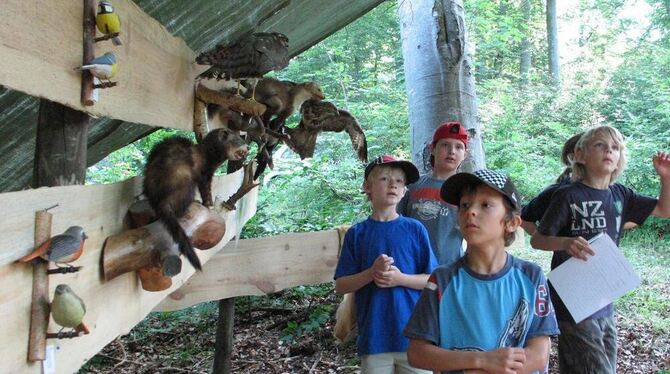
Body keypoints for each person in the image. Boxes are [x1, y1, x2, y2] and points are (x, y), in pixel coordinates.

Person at [530, 125, 670, 373]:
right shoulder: (567, 195)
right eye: (600, 145)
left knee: (589, 365)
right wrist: (565, 243)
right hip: (570, 296)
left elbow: (664, 210)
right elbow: (538, 240)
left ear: (619, 160)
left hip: (603, 295)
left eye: (615, 148)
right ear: (581, 156)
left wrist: (666, 178)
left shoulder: (621, 195)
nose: (609, 151)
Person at [404, 169, 560, 374]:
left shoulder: (531, 277)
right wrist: (481, 360)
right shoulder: (442, 280)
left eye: (485, 205)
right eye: (464, 205)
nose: (471, 212)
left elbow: (539, 353)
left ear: (512, 223)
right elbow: (417, 353)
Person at [334, 154, 438, 373]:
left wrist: (400, 278)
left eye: (399, 181)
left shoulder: (415, 229)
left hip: (415, 339)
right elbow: (341, 286)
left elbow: (432, 280)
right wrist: (371, 273)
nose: (393, 184)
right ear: (367, 187)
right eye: (384, 179)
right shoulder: (357, 234)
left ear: (404, 191)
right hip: (374, 340)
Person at [398, 121, 468, 266]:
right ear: (433, 149)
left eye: (458, 147)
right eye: (445, 145)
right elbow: (397, 224)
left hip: (448, 271)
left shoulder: (467, 192)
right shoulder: (413, 186)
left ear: (465, 155)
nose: (452, 151)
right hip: (411, 267)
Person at [521, 132, 584, 236]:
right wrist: (546, 240)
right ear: (573, 158)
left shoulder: (610, 190)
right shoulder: (556, 192)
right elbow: (524, 218)